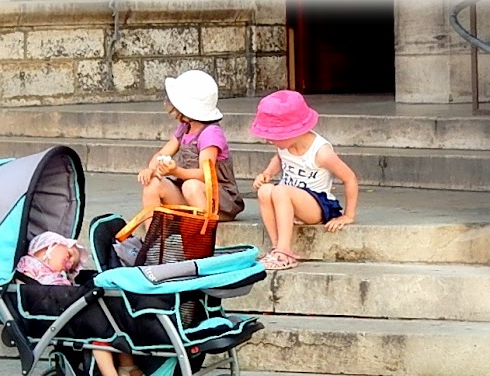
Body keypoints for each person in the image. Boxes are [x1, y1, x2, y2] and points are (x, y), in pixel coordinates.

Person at [16, 231, 142, 376]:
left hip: (69, 310)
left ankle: (127, 367)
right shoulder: (31, 264)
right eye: (69, 255)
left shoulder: (60, 276)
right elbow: (24, 288)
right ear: (48, 246)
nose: (69, 264)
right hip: (54, 314)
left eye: (72, 265)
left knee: (117, 328)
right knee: (99, 334)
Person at [249, 90, 358, 270]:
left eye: (275, 136)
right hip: (287, 199)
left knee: (280, 190)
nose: (269, 140)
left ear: (294, 132)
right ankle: (278, 248)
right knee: (265, 190)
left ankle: (284, 250)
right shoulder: (285, 146)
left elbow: (350, 178)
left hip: (316, 204)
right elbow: (278, 159)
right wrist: (267, 173)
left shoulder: (321, 152)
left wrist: (348, 215)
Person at [137, 69, 244, 221]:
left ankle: (203, 234)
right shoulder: (185, 128)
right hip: (189, 195)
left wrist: (175, 171)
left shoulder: (210, 134)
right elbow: (163, 153)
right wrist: (151, 169)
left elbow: (204, 174)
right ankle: (153, 240)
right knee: (153, 185)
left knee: (191, 186)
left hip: (217, 201)